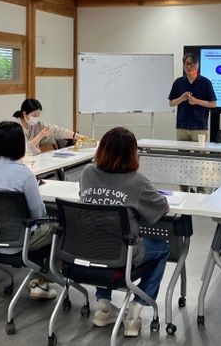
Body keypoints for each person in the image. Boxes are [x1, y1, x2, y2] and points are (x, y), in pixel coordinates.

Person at [79, 127, 170, 337]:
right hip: (123, 254)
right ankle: (136, 309)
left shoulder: (87, 173)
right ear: (132, 154)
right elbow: (161, 208)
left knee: (104, 239)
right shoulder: (138, 181)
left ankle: (103, 306)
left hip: (88, 250)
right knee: (163, 248)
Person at [0, 120, 57, 300]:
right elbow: (39, 214)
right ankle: (41, 280)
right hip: (20, 242)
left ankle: (39, 279)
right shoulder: (24, 174)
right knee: (57, 227)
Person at [168, 52, 217, 192]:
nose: (189, 67)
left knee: (200, 160)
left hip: (199, 127)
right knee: (182, 160)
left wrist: (196, 101)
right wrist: (182, 98)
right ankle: (184, 189)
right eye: (186, 64)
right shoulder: (179, 82)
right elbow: (171, 103)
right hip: (182, 127)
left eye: (192, 64)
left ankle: (200, 190)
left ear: (198, 65)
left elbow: (213, 104)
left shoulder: (205, 82)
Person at [12, 98, 87, 155]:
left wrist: (77, 136)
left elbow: (56, 131)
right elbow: (25, 149)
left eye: (38, 115)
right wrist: (40, 135)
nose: (36, 118)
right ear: (24, 114)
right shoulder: (14, 128)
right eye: (34, 115)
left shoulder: (38, 124)